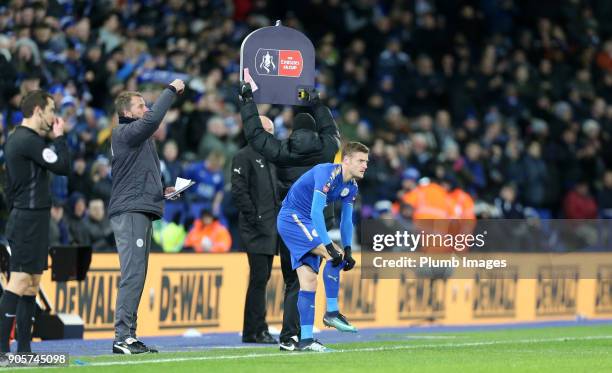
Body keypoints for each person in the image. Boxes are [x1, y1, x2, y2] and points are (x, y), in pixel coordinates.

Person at [239, 81, 340, 351]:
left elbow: (256, 136)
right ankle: (294, 337)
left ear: (294, 131)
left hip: (288, 222)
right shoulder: (327, 149)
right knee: (304, 279)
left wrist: (248, 101)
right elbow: (332, 130)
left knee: (292, 280)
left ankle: (293, 335)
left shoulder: (283, 152)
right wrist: (315, 102)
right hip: (313, 221)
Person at [108, 79, 184, 354]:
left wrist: (164, 190)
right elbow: (153, 121)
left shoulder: (140, 140)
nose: (146, 108)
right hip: (130, 211)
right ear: (128, 113)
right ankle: (122, 337)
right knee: (133, 274)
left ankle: (128, 335)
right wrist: (171, 90)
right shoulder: (124, 132)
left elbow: (138, 177)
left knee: (137, 274)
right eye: (141, 106)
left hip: (140, 208)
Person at [277, 142, 368, 352]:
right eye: (360, 161)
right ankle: (332, 313)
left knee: (309, 282)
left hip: (304, 222)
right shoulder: (326, 173)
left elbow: (346, 221)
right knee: (333, 256)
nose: (365, 165)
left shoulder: (351, 186)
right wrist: (330, 247)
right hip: (293, 218)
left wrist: (348, 249)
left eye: (366, 161)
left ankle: (306, 340)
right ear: (346, 160)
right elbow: (317, 211)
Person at [0, 90, 70, 353]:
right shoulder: (27, 141)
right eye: (51, 110)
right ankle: (2, 352)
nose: (54, 117)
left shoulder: (22, 139)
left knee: (31, 285)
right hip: (27, 218)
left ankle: (24, 351)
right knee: (18, 282)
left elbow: (8, 186)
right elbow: (62, 165)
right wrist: (60, 138)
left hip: (33, 218)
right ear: (38, 110)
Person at [231, 115, 280, 344]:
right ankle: (255, 330)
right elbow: (239, 192)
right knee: (259, 279)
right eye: (267, 129)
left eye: (272, 130)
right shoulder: (244, 156)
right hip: (256, 228)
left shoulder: (272, 158)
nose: (271, 134)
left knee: (262, 279)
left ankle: (256, 329)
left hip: (270, 228)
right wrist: (256, 218)